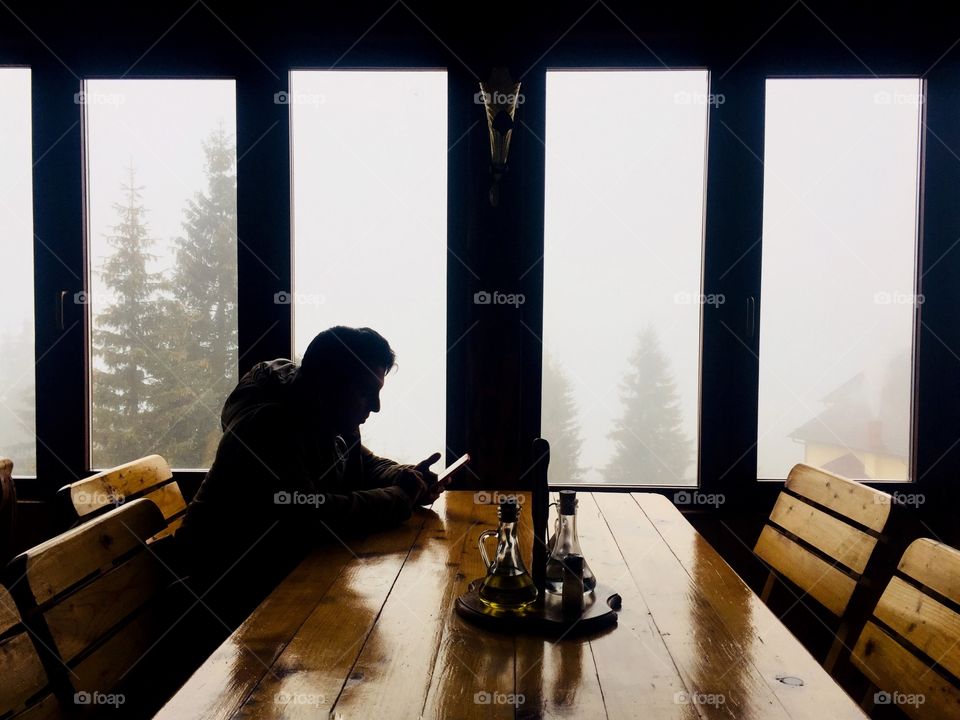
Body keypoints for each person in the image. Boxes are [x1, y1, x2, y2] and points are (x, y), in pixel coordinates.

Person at [175, 325, 445, 627]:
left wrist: (407, 476)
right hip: (211, 599)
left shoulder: (326, 416)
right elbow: (312, 516)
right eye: (365, 392)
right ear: (327, 386)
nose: (376, 406)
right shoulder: (266, 429)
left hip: (269, 582)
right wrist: (400, 498)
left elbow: (365, 463)